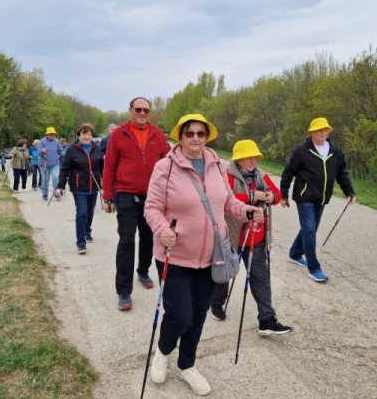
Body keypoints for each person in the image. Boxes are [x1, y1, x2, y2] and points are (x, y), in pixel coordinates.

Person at [144, 114, 263, 396]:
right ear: (180, 137)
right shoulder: (165, 167)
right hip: (175, 255)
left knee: (198, 315)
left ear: (207, 136)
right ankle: (162, 351)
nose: (196, 138)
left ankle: (187, 365)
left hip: (212, 256)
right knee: (180, 315)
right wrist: (162, 230)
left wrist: (246, 211)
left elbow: (227, 202)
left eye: (201, 133)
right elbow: (152, 207)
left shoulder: (217, 165)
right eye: (190, 133)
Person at [209, 140, 292, 334]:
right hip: (232, 236)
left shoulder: (261, 175)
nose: (253, 160)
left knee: (260, 277)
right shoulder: (227, 175)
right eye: (248, 157)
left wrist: (271, 196)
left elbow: (277, 195)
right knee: (224, 274)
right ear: (238, 159)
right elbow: (223, 199)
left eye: (255, 157)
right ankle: (216, 303)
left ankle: (267, 319)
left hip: (256, 237)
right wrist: (251, 197)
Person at [102, 97, 170, 310]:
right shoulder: (119, 134)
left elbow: (170, 163)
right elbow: (109, 166)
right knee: (127, 240)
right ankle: (123, 291)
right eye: (138, 109)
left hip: (152, 197)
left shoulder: (158, 135)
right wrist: (107, 196)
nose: (142, 113)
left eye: (146, 110)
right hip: (126, 195)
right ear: (131, 110)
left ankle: (143, 271)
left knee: (149, 238)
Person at [280, 117, 356, 282]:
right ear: (312, 132)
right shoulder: (301, 150)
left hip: (322, 198)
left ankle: (295, 254)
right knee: (309, 230)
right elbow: (288, 172)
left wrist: (349, 191)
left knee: (310, 229)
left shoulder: (335, 151)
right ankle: (314, 268)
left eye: (325, 130)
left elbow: (342, 173)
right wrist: (283, 194)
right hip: (304, 197)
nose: (322, 133)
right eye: (319, 130)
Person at [56, 123, 104, 254]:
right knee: (82, 212)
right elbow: (65, 168)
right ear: (79, 135)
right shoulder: (72, 150)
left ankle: (87, 231)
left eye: (89, 134)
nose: (87, 137)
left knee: (90, 212)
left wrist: (105, 184)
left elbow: (103, 168)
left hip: (94, 187)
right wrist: (60, 186)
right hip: (78, 187)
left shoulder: (97, 149)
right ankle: (81, 243)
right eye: (84, 134)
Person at [38, 127, 64, 201]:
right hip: (44, 164)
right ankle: (44, 194)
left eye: (53, 134)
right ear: (47, 134)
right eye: (50, 134)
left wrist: (63, 153)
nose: (52, 136)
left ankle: (56, 193)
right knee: (45, 179)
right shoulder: (42, 141)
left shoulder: (56, 141)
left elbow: (61, 150)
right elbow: (38, 152)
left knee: (56, 177)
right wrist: (42, 151)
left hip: (55, 163)